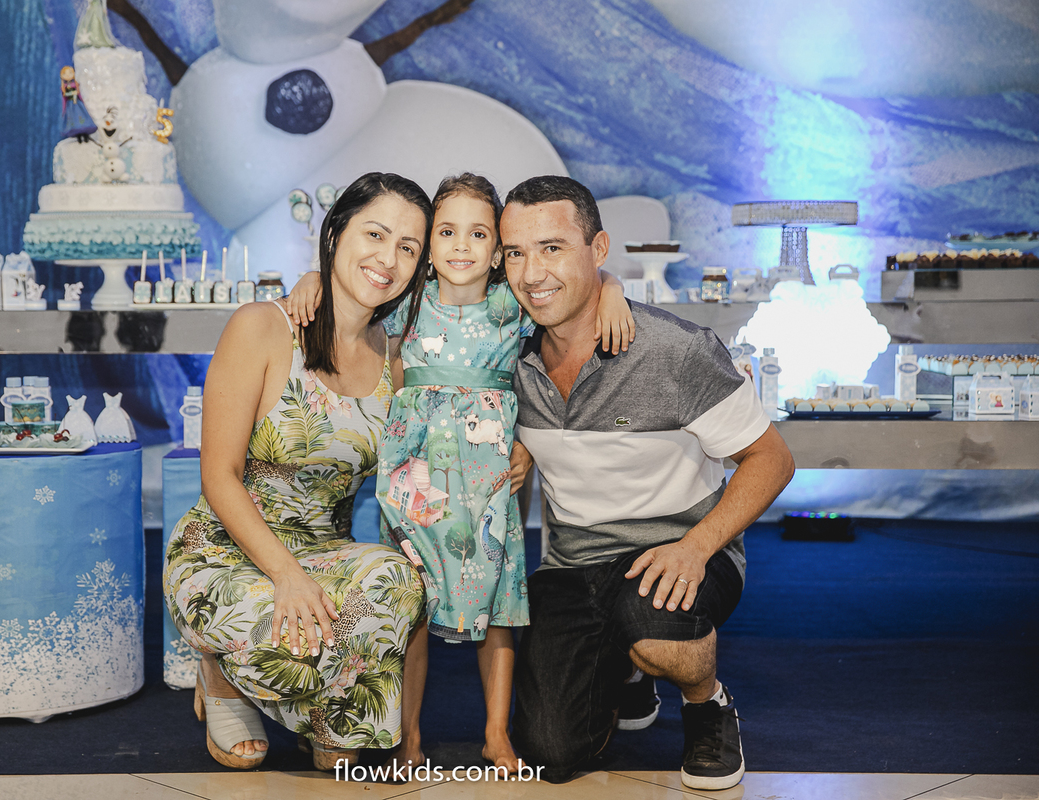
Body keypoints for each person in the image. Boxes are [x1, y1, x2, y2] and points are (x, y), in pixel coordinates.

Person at [286, 172, 635, 773]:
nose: (461, 245)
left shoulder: (511, 306)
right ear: (428, 245)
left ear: (498, 250)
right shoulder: (406, 304)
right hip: (414, 480)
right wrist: (310, 278)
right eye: (446, 231)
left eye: (478, 233)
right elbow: (346, 291)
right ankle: (409, 734)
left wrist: (615, 292)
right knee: (412, 609)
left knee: (497, 609)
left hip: (487, 481)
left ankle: (496, 733)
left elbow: (588, 284)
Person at [501, 175, 795, 790]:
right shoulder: (506, 353)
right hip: (573, 564)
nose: (531, 273)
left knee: (656, 629)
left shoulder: (676, 351)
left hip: (678, 550)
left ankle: (706, 705)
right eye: (515, 252)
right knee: (549, 754)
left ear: (599, 249)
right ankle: (626, 670)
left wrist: (697, 547)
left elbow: (772, 459)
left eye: (552, 248)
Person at [163, 172, 434, 772]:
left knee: (401, 581)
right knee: (278, 631)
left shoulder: (396, 360)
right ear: (335, 234)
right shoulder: (262, 327)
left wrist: (610, 285)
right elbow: (218, 476)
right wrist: (285, 575)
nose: (388, 259)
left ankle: (328, 715)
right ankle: (221, 675)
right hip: (224, 551)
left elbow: (487, 290)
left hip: (322, 555)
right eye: (374, 234)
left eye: (408, 247)